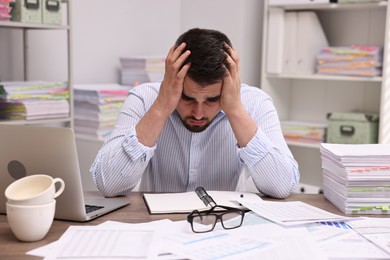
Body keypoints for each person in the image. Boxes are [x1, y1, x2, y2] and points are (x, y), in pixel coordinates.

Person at [90, 28, 300, 198]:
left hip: (226, 227)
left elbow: (281, 186)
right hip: (158, 228)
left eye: (211, 99)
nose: (198, 114)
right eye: (188, 98)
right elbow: (109, 185)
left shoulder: (255, 103)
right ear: (173, 80)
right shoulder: (144, 98)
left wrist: (235, 110)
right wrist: (162, 106)